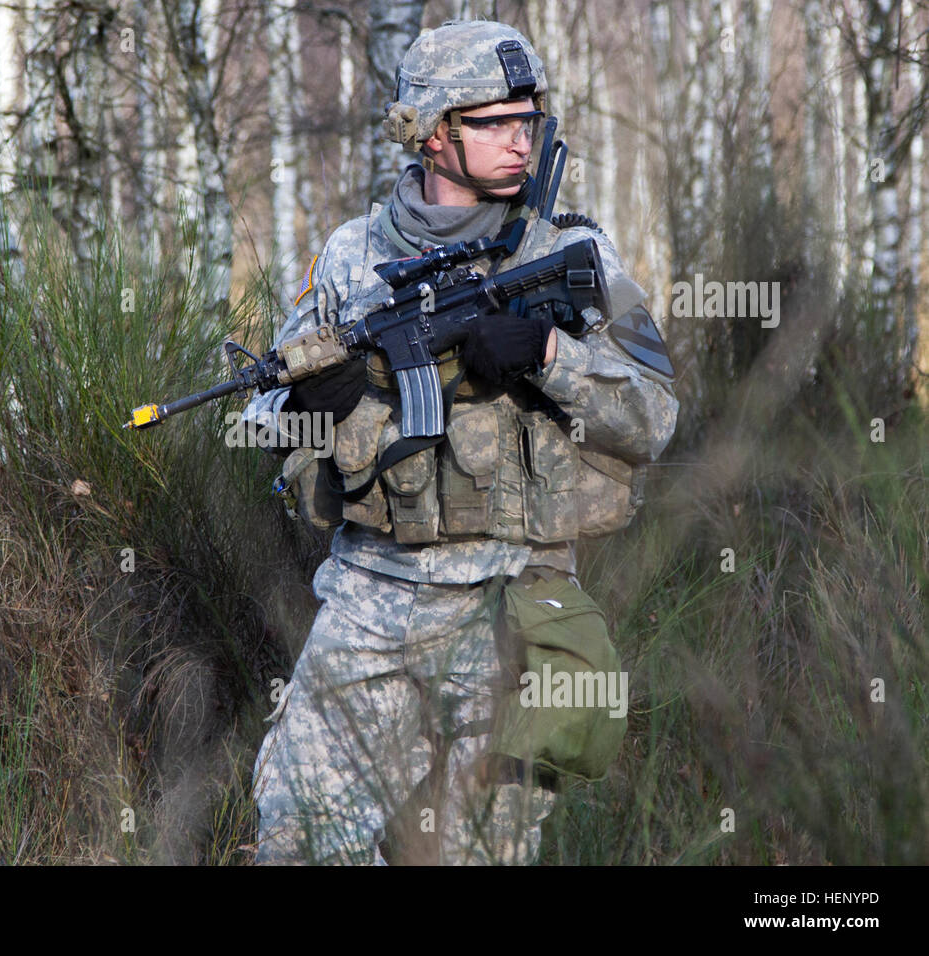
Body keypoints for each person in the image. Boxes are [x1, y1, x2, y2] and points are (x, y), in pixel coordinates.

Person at [246, 19, 679, 865]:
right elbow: (263, 415)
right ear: (433, 132)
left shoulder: (575, 253)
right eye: (497, 121)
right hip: (371, 605)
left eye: (531, 119)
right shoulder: (352, 258)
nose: (525, 139)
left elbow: (654, 418)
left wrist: (551, 357)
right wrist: (312, 406)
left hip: (516, 607)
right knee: (297, 842)